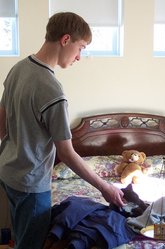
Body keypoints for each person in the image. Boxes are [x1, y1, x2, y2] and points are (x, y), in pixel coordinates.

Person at [0, 12, 124, 249]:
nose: (79, 57)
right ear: (66, 40)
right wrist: (105, 187)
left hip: (7, 173)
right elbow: (66, 154)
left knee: (18, 237)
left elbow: (1, 125)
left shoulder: (18, 69)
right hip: (31, 185)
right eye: (81, 47)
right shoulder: (52, 90)